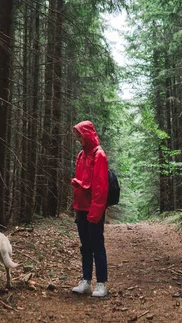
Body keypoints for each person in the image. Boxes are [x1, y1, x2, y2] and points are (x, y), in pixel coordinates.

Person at [70, 120, 109, 297]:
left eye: (80, 135)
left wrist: (96, 211)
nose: (78, 139)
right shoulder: (81, 155)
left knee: (97, 245)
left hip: (94, 209)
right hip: (81, 208)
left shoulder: (98, 155)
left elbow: (100, 187)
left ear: (87, 134)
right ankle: (85, 281)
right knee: (85, 246)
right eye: (77, 136)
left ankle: (101, 283)